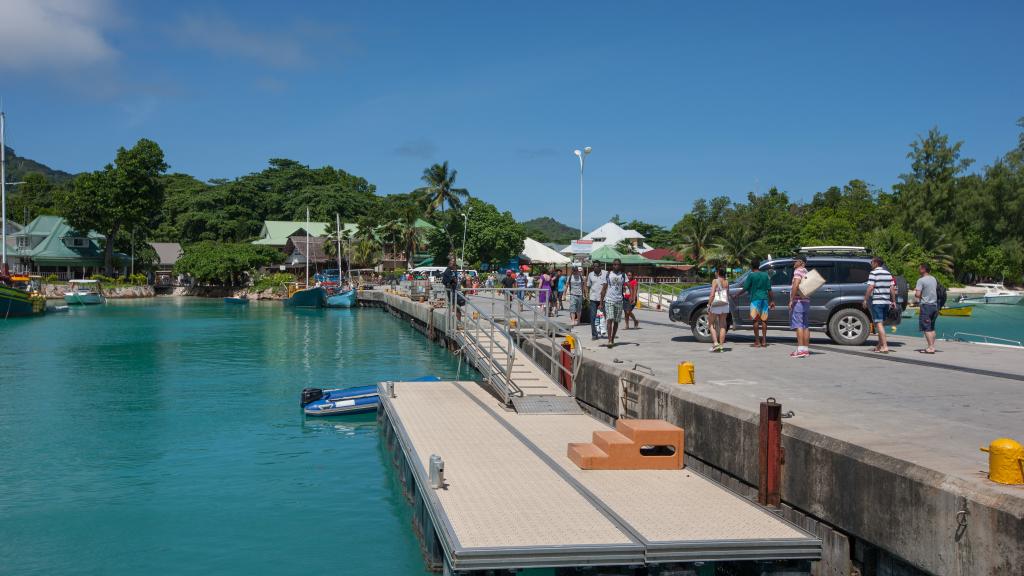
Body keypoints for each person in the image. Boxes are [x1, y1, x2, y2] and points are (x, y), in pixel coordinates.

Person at [735, 258, 774, 347]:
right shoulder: (765, 275)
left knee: (755, 320)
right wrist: (772, 300)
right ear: (759, 266)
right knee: (764, 320)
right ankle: (764, 340)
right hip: (764, 299)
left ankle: (757, 341)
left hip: (755, 300)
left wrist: (736, 295)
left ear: (752, 266)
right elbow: (769, 289)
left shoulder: (751, 276)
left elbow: (745, 288)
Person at [863, 256, 896, 353]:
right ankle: (879, 345)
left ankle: (885, 346)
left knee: (879, 324)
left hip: (877, 302)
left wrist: (865, 299)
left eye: (872, 262)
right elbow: (892, 289)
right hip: (886, 302)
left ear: (876, 263)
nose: (871, 264)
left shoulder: (873, 273)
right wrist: (893, 301)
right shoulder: (888, 273)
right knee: (881, 324)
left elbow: (870, 287)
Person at [789, 255, 811, 358]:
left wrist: (791, 299)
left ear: (801, 262)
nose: (794, 262)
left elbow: (796, 284)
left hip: (798, 302)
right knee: (805, 326)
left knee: (798, 325)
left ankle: (800, 349)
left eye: (796, 261)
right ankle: (805, 349)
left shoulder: (798, 271)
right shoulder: (806, 271)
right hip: (806, 301)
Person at [600, 258, 626, 347]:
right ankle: (609, 340)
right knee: (609, 319)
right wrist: (601, 302)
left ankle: (613, 338)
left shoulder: (623, 275)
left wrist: (633, 296)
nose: (616, 266)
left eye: (618, 264)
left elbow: (629, 286)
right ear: (612, 265)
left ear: (620, 265)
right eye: (614, 264)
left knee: (616, 321)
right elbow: (604, 289)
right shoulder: (608, 274)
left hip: (619, 300)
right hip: (609, 300)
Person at [915, 263, 938, 354]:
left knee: (926, 328)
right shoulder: (934, 279)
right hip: (935, 306)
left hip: (926, 306)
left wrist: (918, 295)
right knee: (932, 327)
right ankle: (932, 346)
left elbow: (917, 294)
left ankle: (931, 348)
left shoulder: (921, 280)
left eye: (919, 268)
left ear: (923, 269)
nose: (918, 269)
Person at [708, 267, 730, 352]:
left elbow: (712, 294)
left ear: (718, 272)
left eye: (715, 271)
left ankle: (715, 343)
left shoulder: (715, 281)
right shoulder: (727, 282)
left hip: (716, 304)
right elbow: (728, 294)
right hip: (724, 304)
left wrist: (709, 304)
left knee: (710, 324)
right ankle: (721, 346)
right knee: (722, 325)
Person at [587, 262, 607, 340]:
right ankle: (594, 335)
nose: (595, 268)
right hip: (593, 299)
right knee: (592, 317)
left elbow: (607, 285)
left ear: (600, 267)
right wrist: (587, 296)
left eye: (597, 266)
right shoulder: (590, 274)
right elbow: (588, 285)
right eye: (594, 266)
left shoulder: (605, 273)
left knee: (606, 316)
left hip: (604, 299)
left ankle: (604, 330)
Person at [441, 256, 462, 323]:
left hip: (452, 290)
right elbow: (450, 280)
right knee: (457, 305)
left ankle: (458, 320)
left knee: (456, 305)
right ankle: (458, 321)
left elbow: (453, 280)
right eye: (453, 264)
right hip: (451, 291)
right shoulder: (448, 271)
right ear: (450, 264)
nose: (454, 266)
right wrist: (453, 281)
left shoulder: (450, 271)